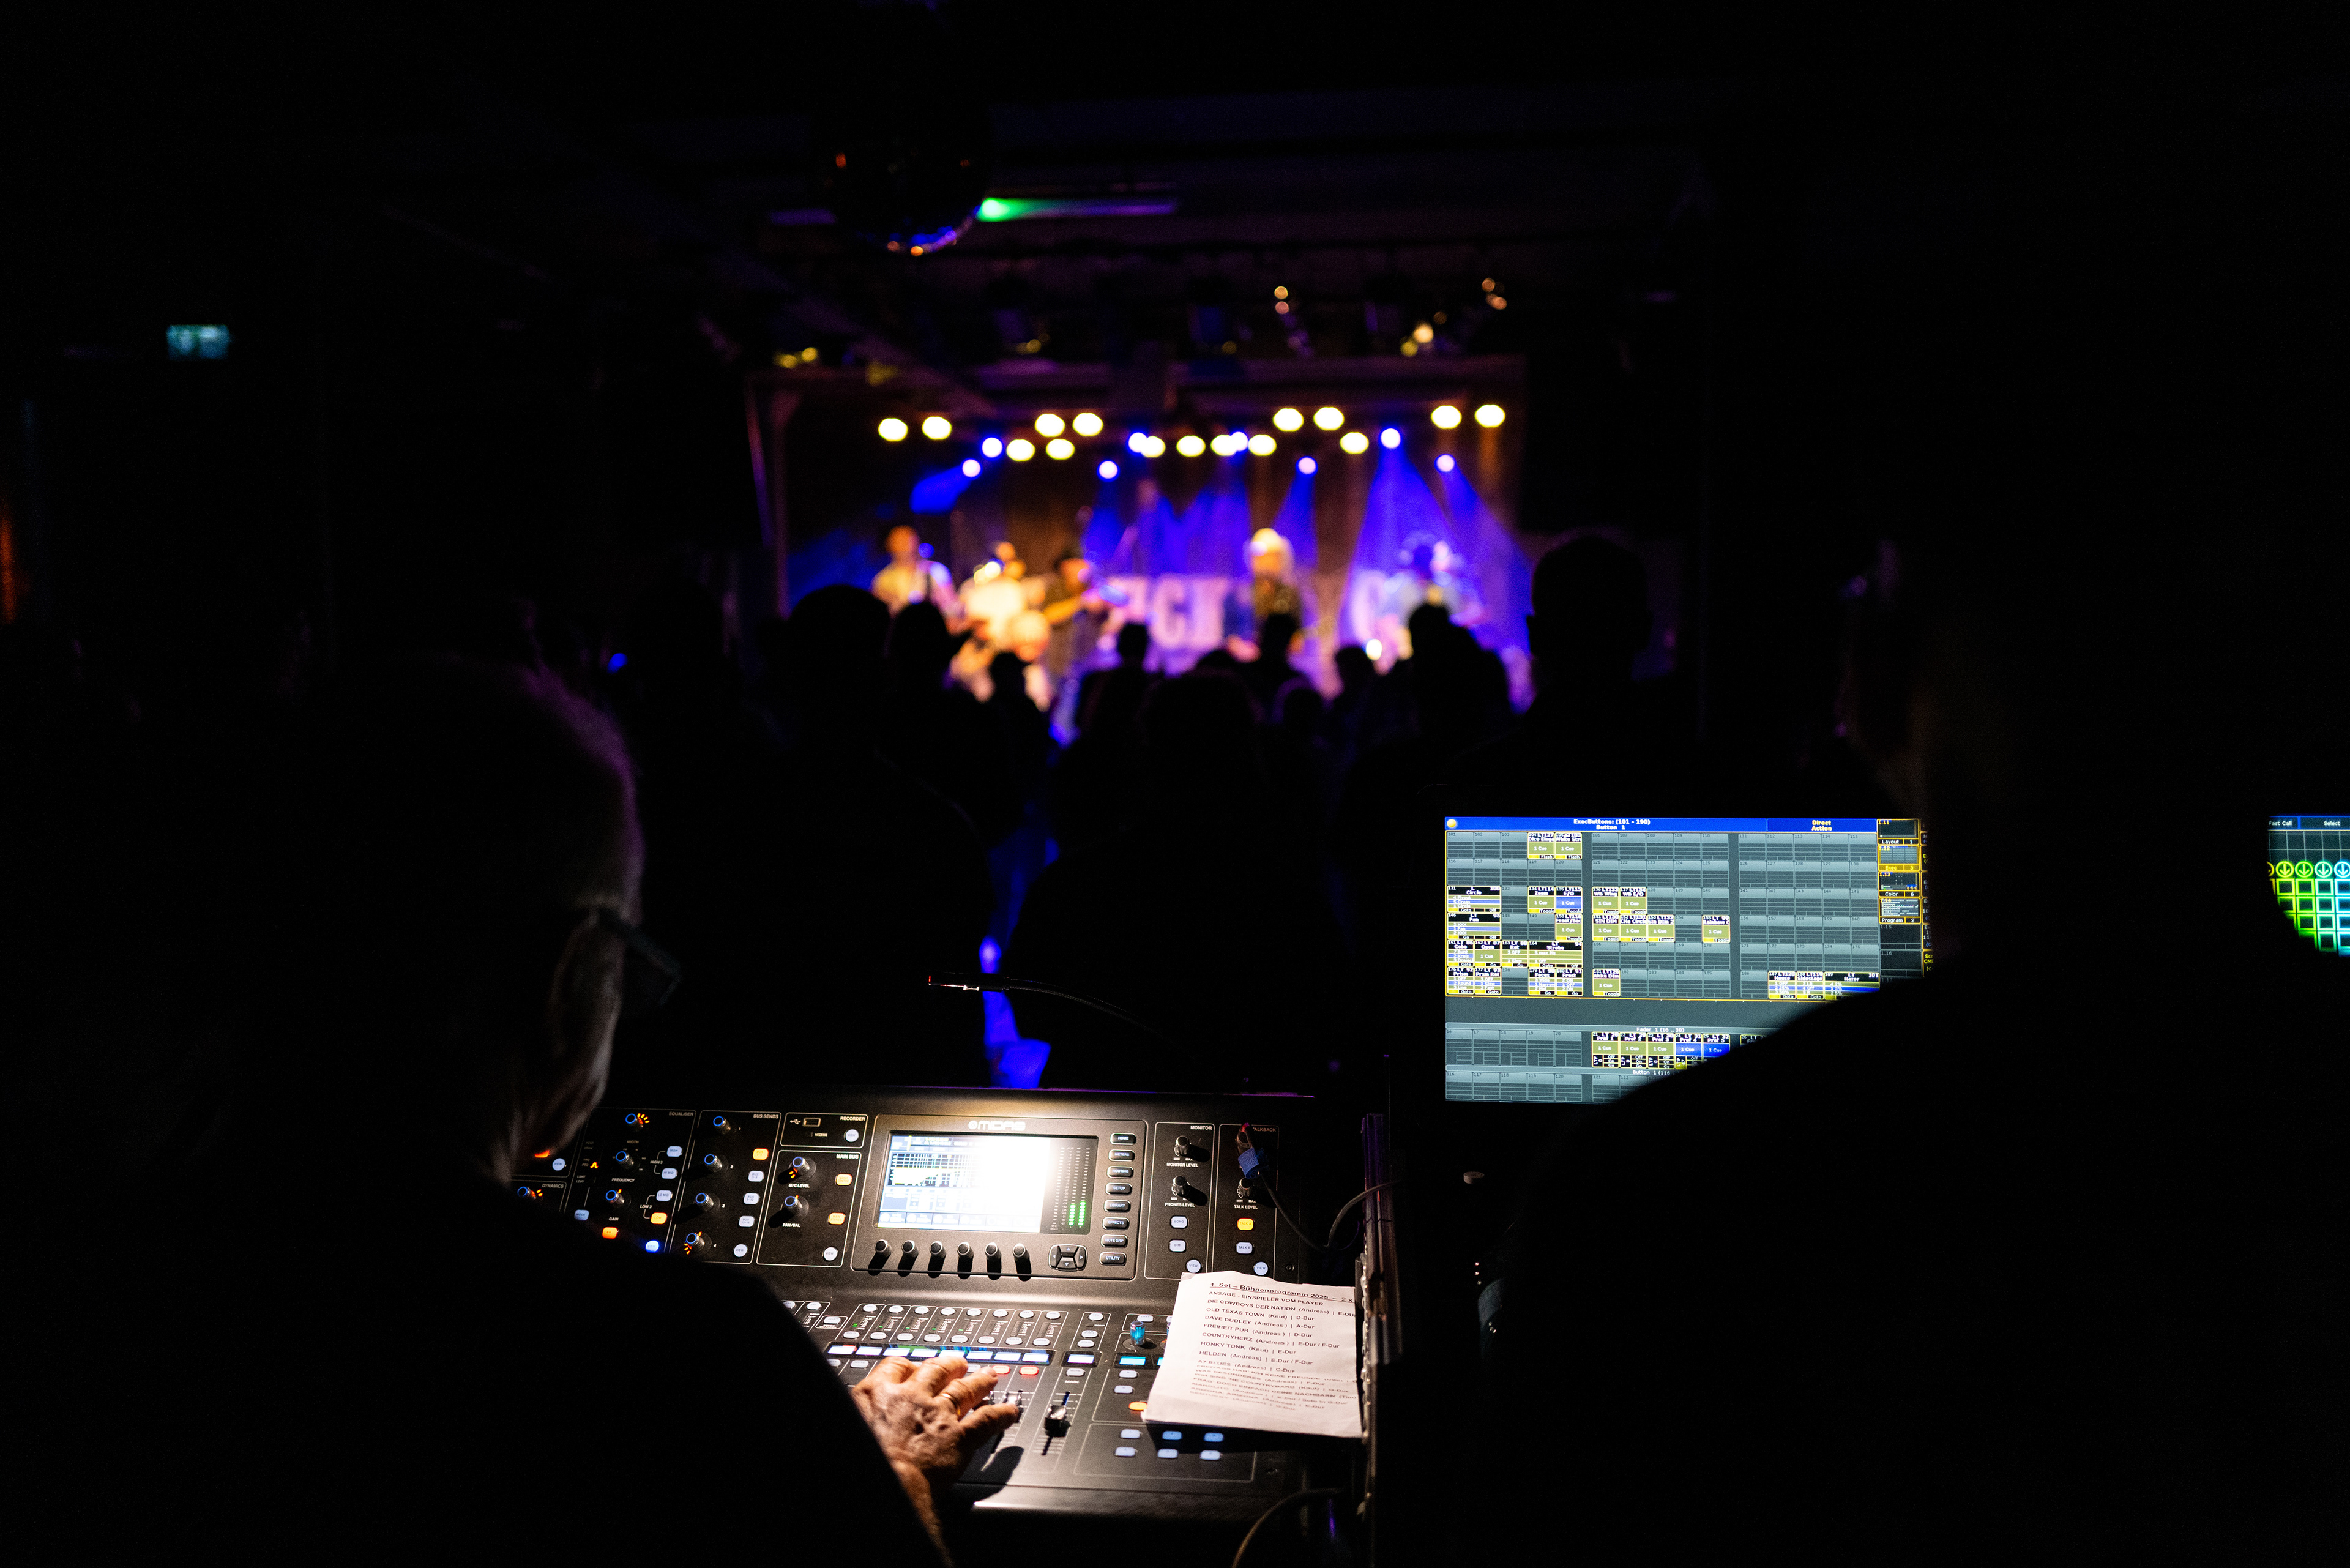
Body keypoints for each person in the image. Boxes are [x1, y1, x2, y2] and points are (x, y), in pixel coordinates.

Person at [29, 660, 1016, 1556]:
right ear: (565, 977)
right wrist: (892, 1471)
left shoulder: (70, 1294)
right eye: (625, 957)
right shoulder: (691, 1363)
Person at [870, 521, 961, 618]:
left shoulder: (936, 571)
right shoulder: (883, 579)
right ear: (889, 545)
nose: (903, 545)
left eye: (906, 540)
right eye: (898, 541)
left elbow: (951, 608)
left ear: (916, 542)